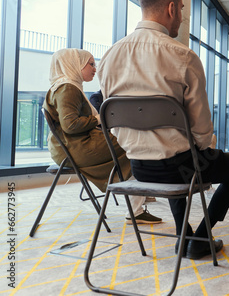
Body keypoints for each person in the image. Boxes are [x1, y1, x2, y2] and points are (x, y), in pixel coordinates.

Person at [97, 0, 229, 260]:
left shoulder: (109, 56)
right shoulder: (183, 56)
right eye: (181, 8)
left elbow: (112, 121)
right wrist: (202, 148)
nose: (181, 16)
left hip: (138, 168)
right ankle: (201, 237)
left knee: (183, 153)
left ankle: (183, 235)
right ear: (171, 8)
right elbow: (201, 130)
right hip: (180, 168)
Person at [43, 48, 162, 225]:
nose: (95, 68)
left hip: (72, 146)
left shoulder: (65, 86)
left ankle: (135, 205)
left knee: (133, 147)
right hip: (76, 147)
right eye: (90, 64)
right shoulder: (67, 88)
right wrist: (99, 118)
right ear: (74, 65)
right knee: (135, 148)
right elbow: (71, 125)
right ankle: (136, 210)